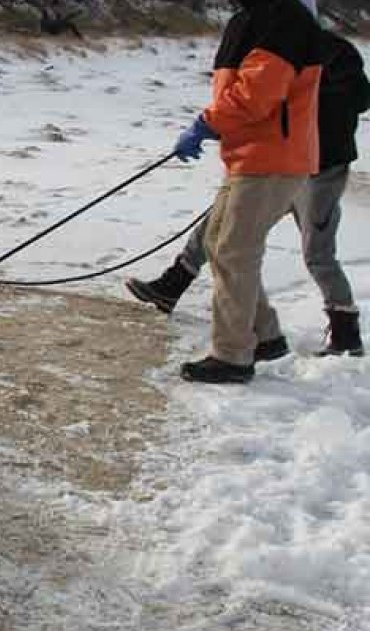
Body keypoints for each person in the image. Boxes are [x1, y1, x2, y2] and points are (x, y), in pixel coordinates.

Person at [127, 29, 367, 363]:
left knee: (317, 253)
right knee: (220, 225)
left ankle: (346, 332)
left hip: (321, 168)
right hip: (277, 160)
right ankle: (173, 284)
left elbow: (358, 99)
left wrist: (302, 100)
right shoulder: (270, 43)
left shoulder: (336, 51)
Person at [146, 0, 325, 384]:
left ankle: (232, 356)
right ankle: (265, 335)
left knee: (235, 250)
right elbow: (239, 87)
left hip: (273, 157)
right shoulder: (250, 18)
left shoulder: (284, 18)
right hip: (250, 155)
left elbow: (258, 94)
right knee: (218, 242)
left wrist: (207, 123)